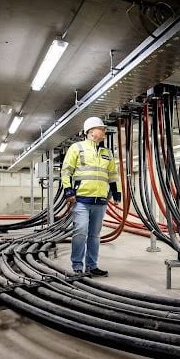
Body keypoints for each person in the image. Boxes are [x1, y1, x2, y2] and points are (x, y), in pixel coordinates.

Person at [61, 116, 121, 276]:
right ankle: (77, 266)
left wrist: (116, 191)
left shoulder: (106, 153)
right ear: (92, 131)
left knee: (94, 235)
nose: (104, 131)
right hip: (81, 200)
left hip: (100, 201)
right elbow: (66, 171)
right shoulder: (77, 148)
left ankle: (92, 265)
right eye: (102, 129)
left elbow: (112, 174)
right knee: (80, 231)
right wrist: (68, 190)